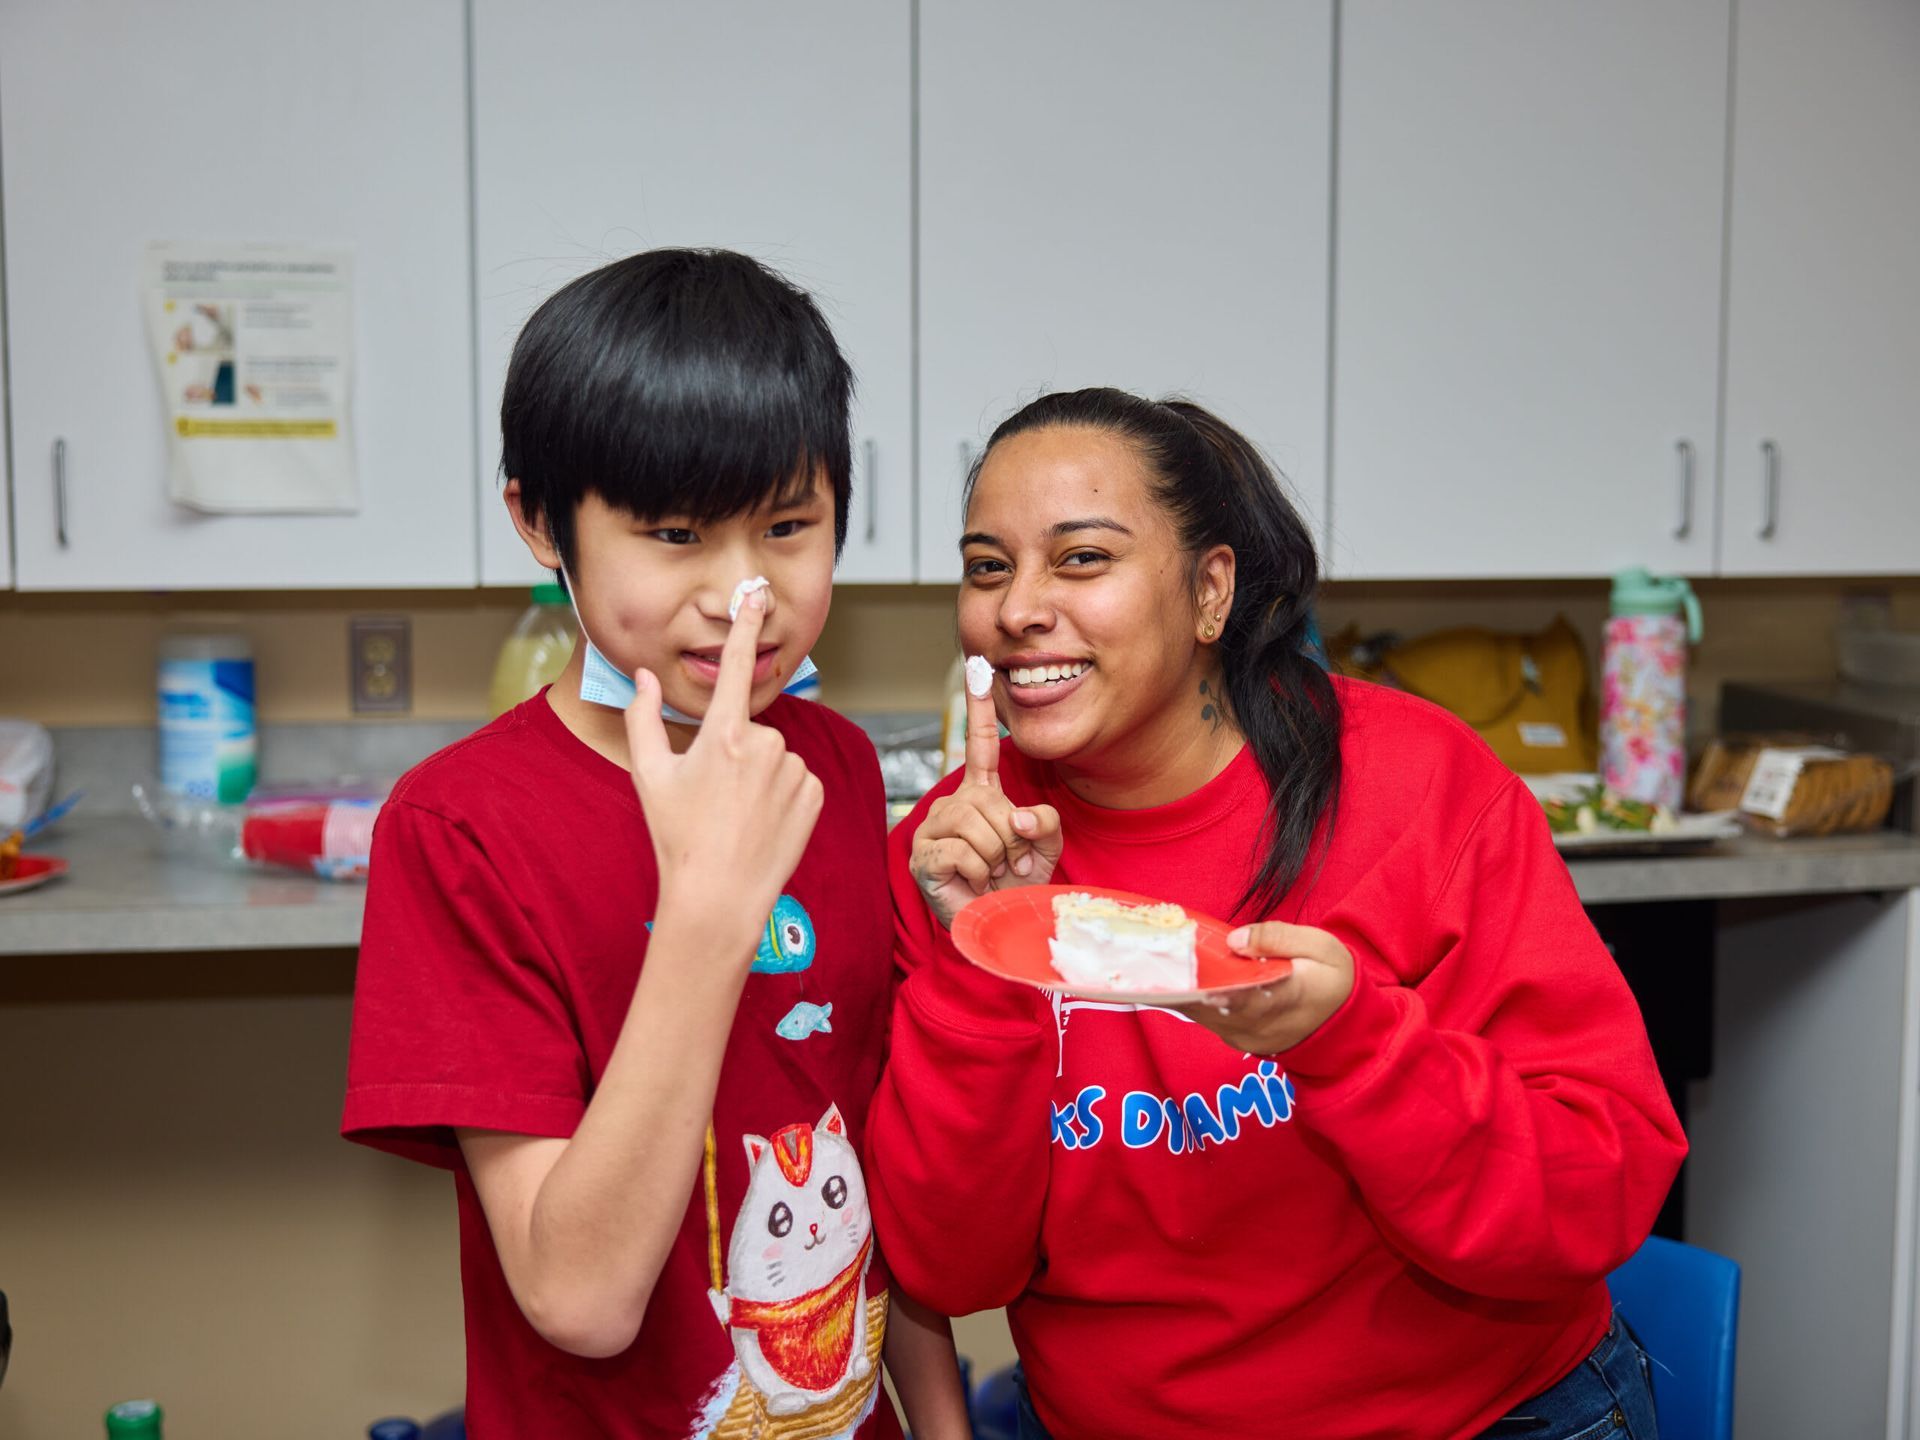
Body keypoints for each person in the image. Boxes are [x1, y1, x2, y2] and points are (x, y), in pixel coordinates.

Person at [864, 387, 1687, 1440]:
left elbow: (1599, 1189)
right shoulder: (954, 854)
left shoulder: (1419, 786)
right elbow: (953, 1267)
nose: (1018, 608)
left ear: (1212, 591)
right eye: (988, 567)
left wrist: (1350, 1042)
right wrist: (981, 962)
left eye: (1080, 559)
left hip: (1484, 1417)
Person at [342, 249, 969, 1440]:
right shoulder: (462, 829)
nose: (746, 595)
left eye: (791, 526)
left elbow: (877, 1158)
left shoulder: (833, 768)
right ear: (538, 521)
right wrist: (706, 911)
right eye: (675, 533)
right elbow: (578, 1299)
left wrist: (940, 1425)